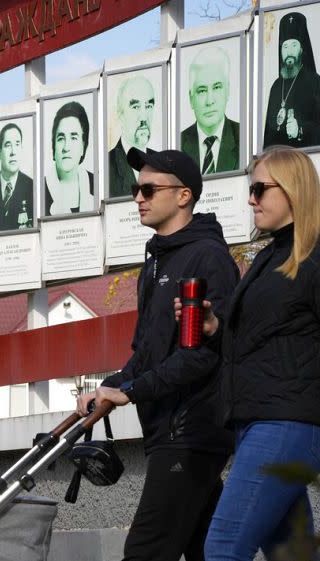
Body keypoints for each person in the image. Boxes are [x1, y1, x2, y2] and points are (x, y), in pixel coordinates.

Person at [189, 147, 320, 561]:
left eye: (259, 188)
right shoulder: (268, 260)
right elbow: (256, 343)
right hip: (258, 427)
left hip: (286, 428)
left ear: (293, 190)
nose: (251, 199)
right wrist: (213, 327)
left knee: (223, 548)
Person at [77, 148, 240, 561]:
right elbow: (147, 352)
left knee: (145, 552)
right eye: (136, 188)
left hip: (190, 432)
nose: (138, 198)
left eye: (149, 188)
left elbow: (204, 354)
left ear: (183, 195)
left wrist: (130, 391)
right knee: (208, 551)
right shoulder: (154, 264)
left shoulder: (209, 258)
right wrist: (110, 388)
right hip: (167, 431)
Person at [262, 12, 320, 149]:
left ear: (301, 49)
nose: (289, 52)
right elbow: (268, 135)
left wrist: (300, 130)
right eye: (285, 47)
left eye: (294, 45)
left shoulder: (313, 81)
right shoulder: (276, 86)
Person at [181, 45, 240, 175]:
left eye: (217, 87)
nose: (209, 101)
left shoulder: (244, 138)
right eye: (202, 91)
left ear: (228, 91)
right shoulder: (177, 145)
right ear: (191, 99)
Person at [45, 101, 95, 216]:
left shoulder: (97, 184)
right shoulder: (38, 191)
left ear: (83, 145)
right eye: (61, 138)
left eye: (73, 137)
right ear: (54, 146)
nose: (66, 147)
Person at [109, 75, 155, 198]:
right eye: (136, 107)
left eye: (148, 106)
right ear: (120, 114)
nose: (144, 117)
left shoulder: (162, 164)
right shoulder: (107, 167)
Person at [0, 123, 34, 232]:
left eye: (17, 144)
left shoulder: (32, 187)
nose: (13, 152)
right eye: (8, 145)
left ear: (21, 148)